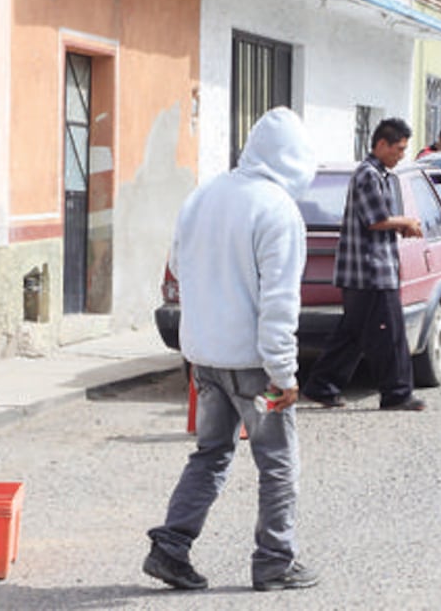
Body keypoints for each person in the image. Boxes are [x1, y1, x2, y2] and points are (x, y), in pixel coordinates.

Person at [143, 107, 319, 592]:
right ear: (296, 160)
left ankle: (170, 548)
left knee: (211, 454)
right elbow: (280, 302)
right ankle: (275, 562)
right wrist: (284, 373)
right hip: (253, 364)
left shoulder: (204, 195)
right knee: (278, 463)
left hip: (204, 356)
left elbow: (178, 264)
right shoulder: (277, 210)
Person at [303, 118, 427, 411]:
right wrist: (405, 222)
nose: (401, 155)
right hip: (369, 271)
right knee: (390, 335)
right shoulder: (368, 175)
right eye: (398, 149)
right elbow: (376, 220)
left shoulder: (380, 175)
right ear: (381, 144)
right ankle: (397, 393)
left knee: (353, 334)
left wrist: (400, 226)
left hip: (370, 269)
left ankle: (322, 386)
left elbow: (378, 220)